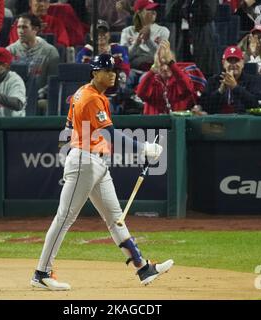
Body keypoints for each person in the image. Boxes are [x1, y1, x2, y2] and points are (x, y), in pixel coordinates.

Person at [30, 53, 174, 291]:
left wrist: (69, 152)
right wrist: (143, 148)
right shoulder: (90, 98)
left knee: (115, 217)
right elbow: (110, 134)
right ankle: (41, 272)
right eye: (107, 70)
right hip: (85, 162)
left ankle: (142, 267)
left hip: (95, 162)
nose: (112, 74)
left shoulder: (86, 94)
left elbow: (68, 128)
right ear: (95, 73)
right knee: (65, 217)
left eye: (114, 71)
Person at [7, 13, 59, 115]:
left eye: (24, 27)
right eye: (18, 27)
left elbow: (53, 82)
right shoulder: (9, 51)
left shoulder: (50, 52)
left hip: (39, 98)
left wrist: (37, 94)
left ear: (35, 29)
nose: (20, 31)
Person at [136, 40, 205, 114]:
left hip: (178, 123)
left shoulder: (181, 77)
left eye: (168, 64)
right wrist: (153, 70)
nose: (165, 68)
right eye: (162, 64)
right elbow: (140, 93)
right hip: (154, 123)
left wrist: (171, 64)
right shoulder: (152, 80)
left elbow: (188, 89)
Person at [201, 45, 261, 114]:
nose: (233, 64)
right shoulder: (214, 80)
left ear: (242, 63)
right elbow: (204, 107)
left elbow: (257, 105)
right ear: (223, 63)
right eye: (230, 61)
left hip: (243, 122)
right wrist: (220, 91)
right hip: (218, 122)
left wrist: (235, 87)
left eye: (236, 61)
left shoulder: (252, 80)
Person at [120, 0, 170, 88]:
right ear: (139, 13)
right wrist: (136, 44)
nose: (154, 12)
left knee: (145, 81)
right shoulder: (127, 31)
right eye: (149, 9)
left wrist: (148, 41)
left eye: (155, 9)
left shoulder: (163, 30)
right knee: (123, 79)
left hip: (152, 70)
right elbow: (124, 58)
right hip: (132, 69)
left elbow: (162, 57)